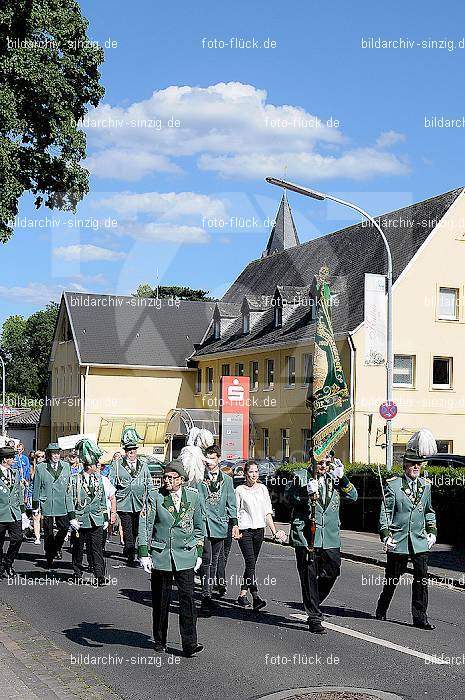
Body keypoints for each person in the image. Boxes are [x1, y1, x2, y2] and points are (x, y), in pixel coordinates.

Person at [138, 460, 205, 657]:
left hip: (185, 555)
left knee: (188, 600)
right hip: (162, 555)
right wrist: (144, 553)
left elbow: (199, 528)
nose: (166, 481)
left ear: (181, 480)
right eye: (164, 477)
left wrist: (199, 553)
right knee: (161, 600)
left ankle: (190, 643)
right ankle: (160, 639)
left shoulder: (193, 497)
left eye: (170, 478)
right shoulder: (155, 497)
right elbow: (145, 525)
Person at [286, 454, 358, 634]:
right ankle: (314, 617)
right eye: (321, 463)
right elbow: (288, 497)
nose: (324, 466)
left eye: (327, 463)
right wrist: (305, 492)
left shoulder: (335, 478)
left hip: (330, 536)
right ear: (313, 462)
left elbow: (353, 497)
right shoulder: (300, 476)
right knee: (309, 576)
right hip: (307, 535)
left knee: (333, 570)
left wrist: (343, 479)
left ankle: (313, 601)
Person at [376, 429, 437, 630]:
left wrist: (432, 532)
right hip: (399, 539)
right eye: (412, 464)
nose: (416, 467)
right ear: (405, 466)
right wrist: (385, 535)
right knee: (392, 578)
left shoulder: (426, 486)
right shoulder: (393, 486)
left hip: (419, 541)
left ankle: (420, 617)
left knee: (421, 578)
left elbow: (429, 511)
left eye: (418, 464)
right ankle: (382, 606)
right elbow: (386, 512)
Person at [235, 460, 286, 611]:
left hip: (259, 531)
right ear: (245, 473)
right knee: (250, 562)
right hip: (245, 531)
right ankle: (256, 596)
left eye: (256, 471)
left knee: (251, 564)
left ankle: (242, 595)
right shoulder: (239, 490)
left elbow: (267, 512)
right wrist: (235, 528)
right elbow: (235, 512)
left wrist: (274, 531)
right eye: (251, 472)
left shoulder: (263, 488)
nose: (254, 474)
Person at [196, 444, 240, 615]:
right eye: (207, 458)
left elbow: (231, 504)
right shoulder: (199, 478)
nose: (209, 462)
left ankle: (209, 594)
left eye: (213, 459)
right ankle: (206, 597)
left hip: (220, 525)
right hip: (204, 524)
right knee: (207, 559)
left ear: (219, 460)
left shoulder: (227, 481)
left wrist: (235, 524)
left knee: (215, 561)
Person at [69, 439, 111, 586]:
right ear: (89, 466)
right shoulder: (75, 479)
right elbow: (69, 499)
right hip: (81, 520)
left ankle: (99, 576)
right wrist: (72, 518)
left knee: (97, 549)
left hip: (96, 519)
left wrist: (105, 517)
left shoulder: (99, 479)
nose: (98, 467)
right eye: (96, 464)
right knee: (78, 548)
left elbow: (102, 500)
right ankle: (77, 572)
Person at [110, 428, 154, 566]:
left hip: (139, 503)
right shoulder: (117, 465)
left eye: (133, 450)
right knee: (127, 528)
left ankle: (130, 547)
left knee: (136, 529)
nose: (131, 453)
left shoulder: (144, 465)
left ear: (136, 451)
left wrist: (150, 501)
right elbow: (112, 484)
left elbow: (149, 484)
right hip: (124, 502)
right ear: (125, 452)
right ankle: (130, 553)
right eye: (129, 451)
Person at [32, 443, 75, 569]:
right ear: (49, 454)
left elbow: (69, 486)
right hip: (47, 503)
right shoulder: (41, 467)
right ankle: (49, 556)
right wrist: (35, 506)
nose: (56, 456)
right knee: (48, 532)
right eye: (54, 453)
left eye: (58, 453)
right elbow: (36, 487)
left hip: (62, 502)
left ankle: (57, 546)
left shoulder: (66, 466)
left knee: (64, 527)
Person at [0, 446, 30, 577]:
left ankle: (8, 562)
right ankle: (1, 565)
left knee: (18, 539)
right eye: (11, 458)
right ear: (4, 460)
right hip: (1, 514)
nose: (13, 460)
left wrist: (23, 512)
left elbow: (19, 492)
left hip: (14, 512)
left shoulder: (15, 472)